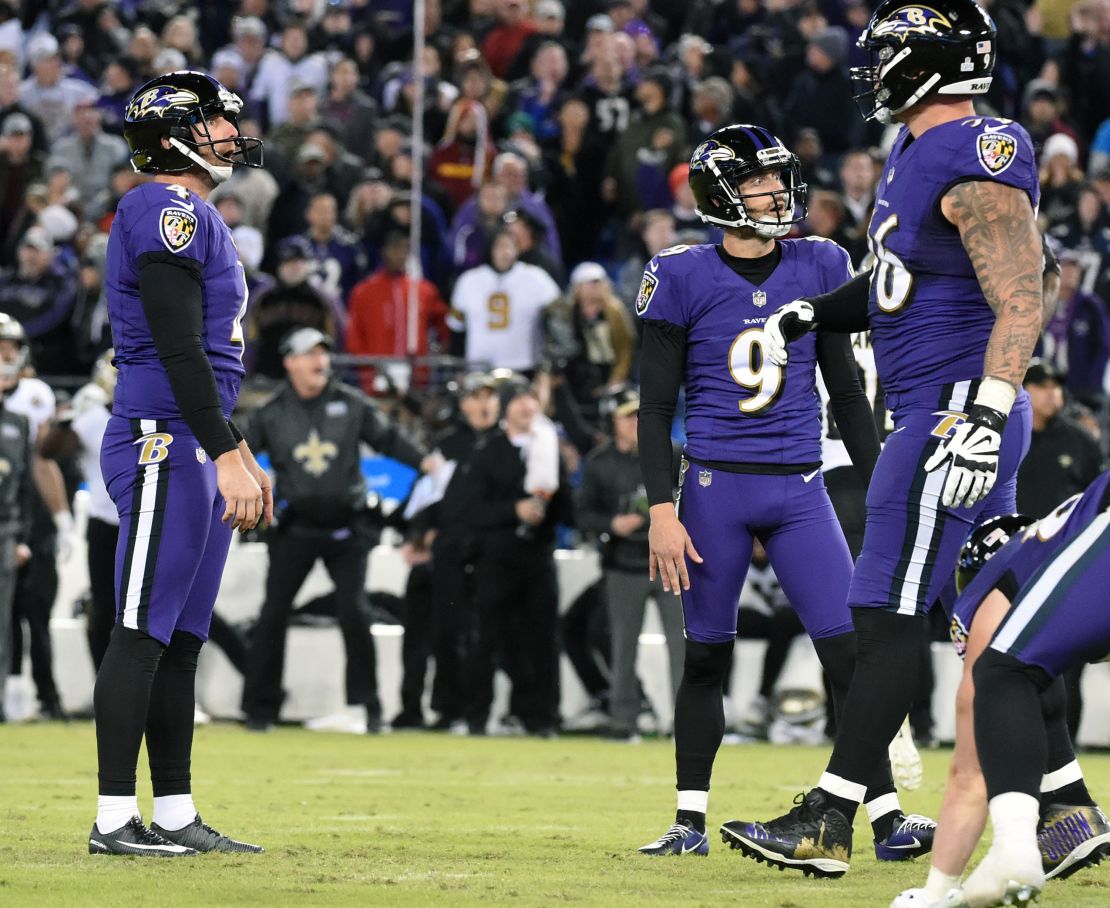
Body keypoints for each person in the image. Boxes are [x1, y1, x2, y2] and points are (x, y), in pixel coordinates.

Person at [744, 0, 1045, 877]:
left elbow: (1026, 291)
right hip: (948, 403)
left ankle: (829, 821)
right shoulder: (917, 147)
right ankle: (1066, 809)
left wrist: (985, 413)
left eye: (888, 59)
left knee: (882, 614)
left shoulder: (974, 149)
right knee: (993, 616)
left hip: (953, 411)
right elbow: (897, 282)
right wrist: (812, 313)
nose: (874, 74)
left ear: (927, 64)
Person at [636, 125, 909, 861]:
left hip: (801, 489)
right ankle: (689, 820)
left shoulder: (820, 261)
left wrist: (887, 489)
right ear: (721, 193)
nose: (775, 192)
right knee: (705, 657)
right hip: (715, 489)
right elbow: (656, 408)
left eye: (777, 178)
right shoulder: (680, 273)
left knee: (850, 658)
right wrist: (661, 509)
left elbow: (848, 396)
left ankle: (884, 817)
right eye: (758, 181)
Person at [89, 70, 270, 857]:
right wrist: (223, 446)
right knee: (139, 630)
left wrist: (229, 442)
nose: (230, 133)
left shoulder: (194, 211)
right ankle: (109, 820)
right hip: (161, 435)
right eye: (216, 121)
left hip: (191, 434)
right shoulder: (161, 208)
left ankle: (172, 813)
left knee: (181, 638)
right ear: (173, 136)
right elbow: (176, 345)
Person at [891, 500, 1110, 908]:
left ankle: (1014, 848)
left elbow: (969, 773)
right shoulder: (1057, 547)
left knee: (1001, 673)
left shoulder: (994, 590)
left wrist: (937, 891)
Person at [240, 327, 435, 734]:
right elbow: (240, 454)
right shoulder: (271, 412)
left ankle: (366, 707)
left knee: (354, 611)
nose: (320, 362)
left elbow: (389, 440)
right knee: (273, 613)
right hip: (294, 526)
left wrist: (427, 463)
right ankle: (260, 708)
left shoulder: (350, 404)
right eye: (310, 354)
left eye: (324, 354)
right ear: (290, 362)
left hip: (348, 526)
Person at [576, 386, 683, 741]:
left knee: (682, 647)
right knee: (622, 646)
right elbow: (583, 514)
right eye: (627, 416)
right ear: (613, 420)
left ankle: (687, 724)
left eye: (640, 415)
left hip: (669, 562)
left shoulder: (670, 454)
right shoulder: (599, 463)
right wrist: (611, 525)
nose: (635, 422)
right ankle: (624, 721)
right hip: (623, 564)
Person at [39, 350, 118, 671]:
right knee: (104, 607)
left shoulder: (157, 415)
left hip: (151, 522)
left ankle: (161, 694)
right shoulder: (92, 416)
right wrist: (68, 416)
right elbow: (49, 451)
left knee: (159, 607)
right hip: (105, 523)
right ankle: (106, 686)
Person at [447, 228, 561, 373]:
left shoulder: (535, 277)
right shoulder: (469, 281)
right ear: (490, 249)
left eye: (510, 246)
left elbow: (559, 315)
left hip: (523, 365)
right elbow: (456, 326)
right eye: (500, 246)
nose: (505, 252)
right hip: (479, 366)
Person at [0, 314, 33, 723]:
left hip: (4, 531)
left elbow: (24, 486)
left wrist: (22, 535)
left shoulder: (18, 422)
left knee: (2, 622)